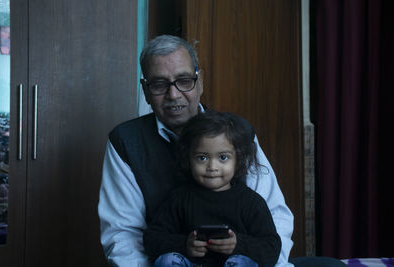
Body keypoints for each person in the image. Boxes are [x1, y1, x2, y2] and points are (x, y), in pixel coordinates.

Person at [98, 34, 346, 267]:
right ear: (145, 90)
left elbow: (275, 216)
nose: (173, 95)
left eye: (184, 81)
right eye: (159, 85)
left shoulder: (236, 133)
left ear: (200, 81)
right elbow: (123, 235)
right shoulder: (125, 141)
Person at [144, 110, 281, 267]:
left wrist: (238, 245)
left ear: (238, 159)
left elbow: (272, 247)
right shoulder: (179, 198)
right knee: (167, 261)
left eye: (223, 157)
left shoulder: (250, 202)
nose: (212, 167)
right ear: (188, 158)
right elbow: (152, 239)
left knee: (241, 263)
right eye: (202, 158)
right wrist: (184, 245)